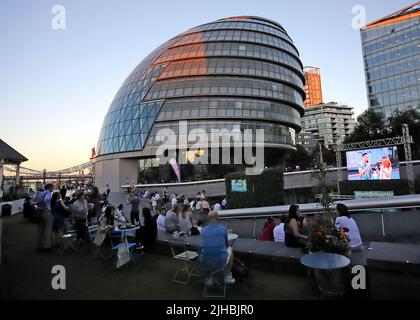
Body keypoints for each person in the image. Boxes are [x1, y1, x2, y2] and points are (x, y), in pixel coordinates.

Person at [201, 211, 235, 285]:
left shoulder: (203, 230)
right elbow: (226, 245)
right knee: (230, 249)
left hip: (205, 262)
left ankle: (208, 278)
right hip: (220, 261)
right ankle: (227, 276)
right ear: (218, 218)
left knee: (205, 251)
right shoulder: (223, 229)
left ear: (208, 219)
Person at [36, 183, 54, 252]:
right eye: (52, 187)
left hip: (39, 212)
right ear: (50, 187)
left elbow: (34, 200)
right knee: (47, 230)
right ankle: (47, 246)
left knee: (40, 230)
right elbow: (45, 200)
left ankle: (39, 246)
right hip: (46, 212)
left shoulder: (40, 193)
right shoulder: (48, 193)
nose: (53, 189)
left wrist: (39, 206)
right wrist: (44, 207)